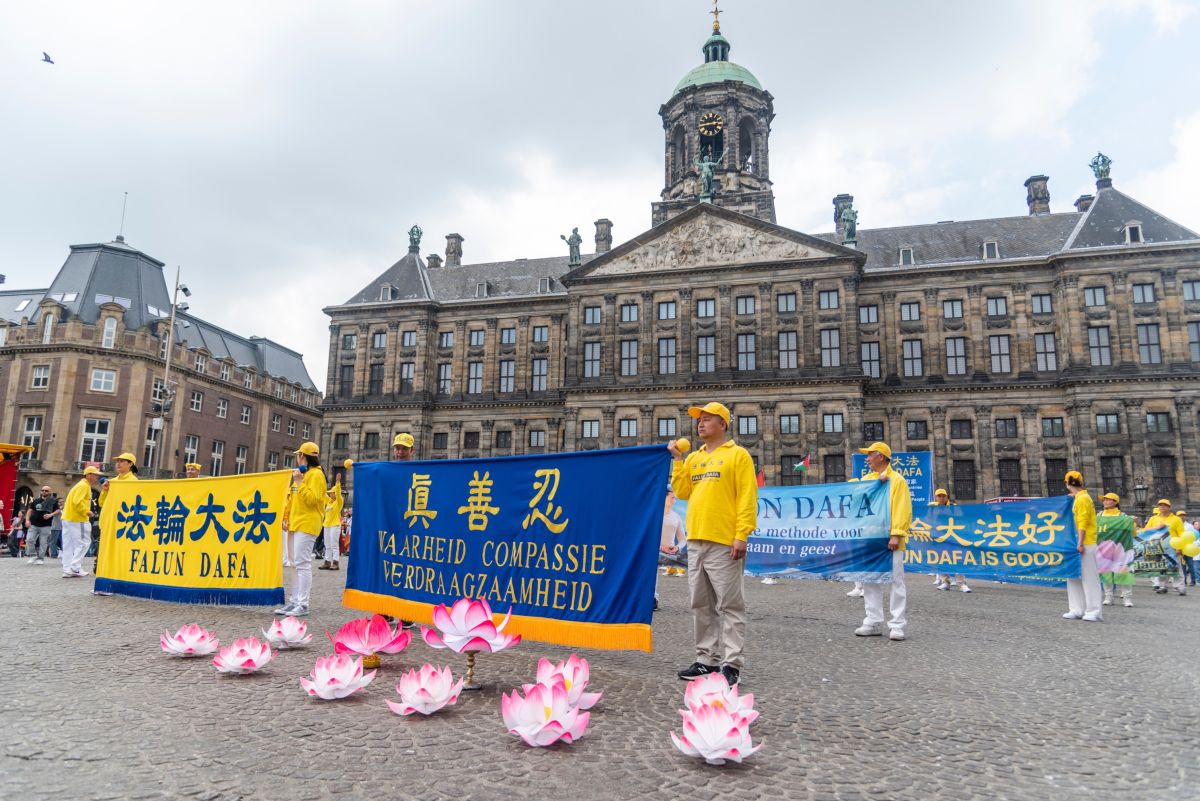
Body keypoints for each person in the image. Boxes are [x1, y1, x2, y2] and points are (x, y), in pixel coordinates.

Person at [670, 401, 756, 686]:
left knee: (730, 605)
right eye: (699, 419)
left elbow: (747, 497)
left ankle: (731, 665)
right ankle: (706, 660)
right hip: (696, 538)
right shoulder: (693, 458)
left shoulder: (738, 455)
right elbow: (683, 492)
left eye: (707, 419)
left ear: (722, 424)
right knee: (701, 604)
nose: (700, 423)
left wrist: (741, 534)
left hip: (723, 540)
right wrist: (678, 461)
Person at [853, 442, 912, 641]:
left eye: (870, 455)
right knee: (870, 579)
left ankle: (897, 624)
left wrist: (896, 534)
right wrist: (875, 485)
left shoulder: (897, 481)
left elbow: (902, 508)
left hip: (889, 538)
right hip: (870, 537)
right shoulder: (868, 480)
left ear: (880, 456)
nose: (867, 459)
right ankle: (873, 620)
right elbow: (856, 501)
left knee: (896, 580)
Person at [275, 442, 327, 617]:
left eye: (298, 455)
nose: (297, 458)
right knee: (294, 564)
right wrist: (285, 517)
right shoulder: (303, 474)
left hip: (307, 523)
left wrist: (299, 482)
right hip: (295, 522)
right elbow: (292, 500)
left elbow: (313, 499)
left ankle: (303, 603)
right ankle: (295, 601)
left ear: (303, 456)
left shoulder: (316, 475)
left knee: (302, 563)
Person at [1063, 470, 1101, 622]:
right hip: (1075, 541)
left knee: (1089, 577)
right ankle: (1076, 609)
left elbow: (1083, 522)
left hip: (1085, 542)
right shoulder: (1079, 497)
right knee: (1072, 576)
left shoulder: (1083, 498)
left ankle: (1093, 611)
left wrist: (1080, 542)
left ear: (1067, 483)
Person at [61, 466, 101, 577]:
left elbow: (75, 501)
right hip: (78, 519)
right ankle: (75, 567)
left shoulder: (80, 484)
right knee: (84, 543)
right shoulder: (84, 486)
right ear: (89, 475)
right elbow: (77, 502)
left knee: (68, 545)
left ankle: (67, 569)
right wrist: (87, 512)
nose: (97, 477)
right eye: (95, 474)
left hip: (68, 518)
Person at [1099, 492, 1135, 608]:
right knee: (1106, 573)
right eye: (1104, 499)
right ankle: (1108, 597)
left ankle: (1127, 597)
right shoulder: (1099, 516)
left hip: (1121, 548)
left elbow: (1133, 533)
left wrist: (1133, 523)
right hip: (1104, 549)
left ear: (1115, 502)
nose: (1105, 501)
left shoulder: (1123, 516)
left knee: (1124, 573)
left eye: (1108, 499)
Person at [930, 489, 970, 593]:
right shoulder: (932, 508)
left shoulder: (954, 507)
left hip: (953, 537)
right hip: (939, 537)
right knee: (941, 559)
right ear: (936, 497)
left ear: (947, 496)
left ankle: (961, 583)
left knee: (957, 559)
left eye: (943, 496)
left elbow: (961, 519)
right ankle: (945, 582)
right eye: (939, 496)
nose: (941, 498)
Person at [1143, 499, 1185, 596]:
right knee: (1161, 568)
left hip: (1172, 546)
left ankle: (1180, 587)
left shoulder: (1176, 519)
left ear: (1169, 507)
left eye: (1165, 505)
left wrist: (1179, 548)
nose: (1162, 507)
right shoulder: (1153, 519)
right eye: (1160, 505)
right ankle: (1163, 586)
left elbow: (1181, 534)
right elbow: (1146, 531)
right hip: (1158, 546)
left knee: (1176, 568)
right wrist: (1157, 527)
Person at [656, 487, 686, 610]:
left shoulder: (676, 517)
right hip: (654, 551)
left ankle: (653, 599)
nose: (674, 500)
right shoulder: (654, 515)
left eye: (675, 498)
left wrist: (677, 548)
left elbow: (683, 539)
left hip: (669, 554)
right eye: (672, 497)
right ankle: (653, 598)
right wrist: (660, 547)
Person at [24, 485, 59, 565]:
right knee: (29, 540)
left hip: (46, 525)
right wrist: (27, 520)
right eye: (42, 490)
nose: (44, 492)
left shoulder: (53, 501)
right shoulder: (36, 501)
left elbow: (58, 511)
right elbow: (30, 511)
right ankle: (33, 555)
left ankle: (40, 558)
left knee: (43, 543)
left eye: (46, 491)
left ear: (50, 492)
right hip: (34, 524)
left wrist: (50, 515)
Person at [319, 473, 344, 571]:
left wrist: (337, 482)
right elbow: (323, 494)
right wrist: (321, 483)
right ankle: (327, 562)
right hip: (327, 525)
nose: (330, 494)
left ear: (335, 494)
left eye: (331, 493)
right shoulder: (329, 502)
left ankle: (336, 562)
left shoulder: (339, 502)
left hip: (335, 525)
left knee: (334, 545)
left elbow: (338, 492)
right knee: (327, 545)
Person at [1177, 510, 1196, 587]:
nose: (1181, 517)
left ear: (1185, 516)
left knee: (1190, 565)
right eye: (1180, 515)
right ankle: (1184, 581)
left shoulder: (1189, 526)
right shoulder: (1176, 525)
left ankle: (1193, 581)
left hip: (1188, 548)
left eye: (1183, 515)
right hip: (1179, 548)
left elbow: (1193, 536)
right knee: (1182, 566)